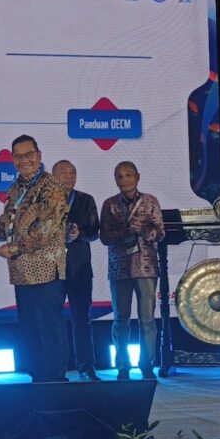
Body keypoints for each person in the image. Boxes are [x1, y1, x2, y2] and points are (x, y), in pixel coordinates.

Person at [0, 135, 69, 383]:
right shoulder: (15, 188)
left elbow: (46, 230)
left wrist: (14, 248)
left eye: (29, 155)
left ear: (39, 155)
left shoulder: (51, 186)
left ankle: (56, 380)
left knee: (49, 327)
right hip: (22, 272)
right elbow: (5, 228)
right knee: (29, 328)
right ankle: (37, 378)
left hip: (46, 269)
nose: (24, 160)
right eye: (18, 156)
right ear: (12, 160)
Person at [100, 161, 165, 380]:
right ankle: (122, 366)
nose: (124, 179)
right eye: (119, 176)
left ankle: (147, 364)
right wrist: (126, 231)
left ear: (137, 177)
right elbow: (104, 237)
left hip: (146, 266)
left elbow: (160, 233)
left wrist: (144, 229)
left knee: (147, 319)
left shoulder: (150, 201)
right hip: (119, 268)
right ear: (115, 180)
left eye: (128, 175)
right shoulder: (110, 204)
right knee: (121, 319)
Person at [52, 160, 101, 381]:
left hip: (79, 269)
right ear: (53, 176)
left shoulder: (85, 199)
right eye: (64, 172)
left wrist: (79, 234)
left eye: (73, 172)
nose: (69, 176)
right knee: (53, 321)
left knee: (82, 320)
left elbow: (95, 232)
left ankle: (86, 367)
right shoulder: (46, 201)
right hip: (52, 269)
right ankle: (56, 368)